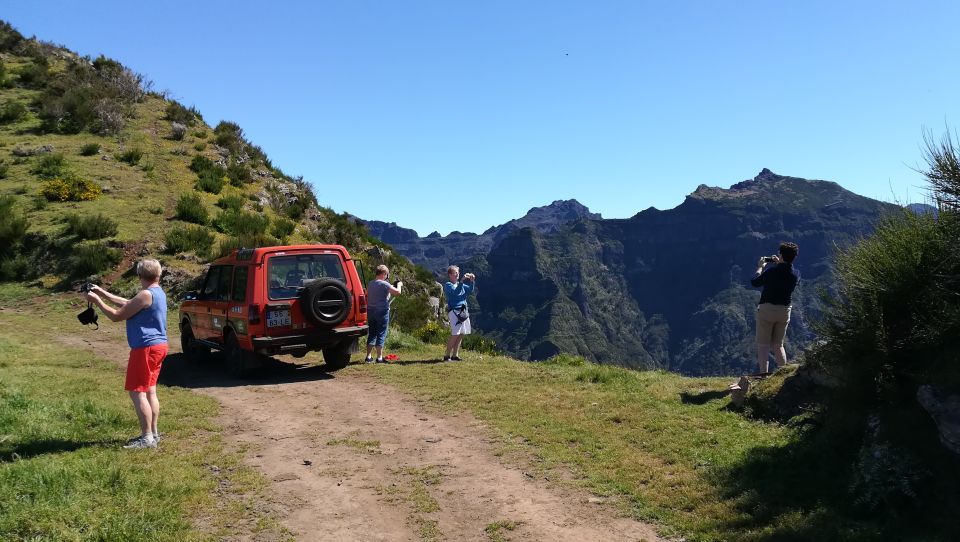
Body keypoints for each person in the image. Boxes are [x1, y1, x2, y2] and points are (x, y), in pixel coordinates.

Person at [83, 259, 168, 449]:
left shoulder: (145, 294)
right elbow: (129, 303)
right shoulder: (157, 293)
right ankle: (153, 434)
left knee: (137, 391)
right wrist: (102, 292)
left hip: (145, 348)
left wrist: (97, 301)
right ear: (159, 274)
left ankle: (146, 438)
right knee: (150, 390)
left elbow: (116, 315)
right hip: (159, 346)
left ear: (139, 276)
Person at [750, 242, 800, 373]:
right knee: (778, 345)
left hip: (767, 310)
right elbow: (785, 274)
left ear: (781, 255)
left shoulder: (771, 272)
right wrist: (781, 264)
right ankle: (784, 374)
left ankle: (763, 375)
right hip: (784, 311)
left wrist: (760, 267)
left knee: (763, 345)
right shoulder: (796, 274)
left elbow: (755, 282)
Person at [365, 264, 402, 363]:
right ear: (384, 274)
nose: (387, 277)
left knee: (372, 333)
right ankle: (379, 357)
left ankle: (368, 357)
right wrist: (399, 285)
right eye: (387, 275)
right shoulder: (384, 284)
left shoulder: (371, 283)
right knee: (381, 333)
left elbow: (368, 295)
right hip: (382, 311)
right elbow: (398, 293)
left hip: (371, 310)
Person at [442, 265, 475, 361]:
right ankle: (447, 355)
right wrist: (461, 282)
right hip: (455, 311)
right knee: (455, 334)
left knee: (461, 334)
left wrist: (472, 281)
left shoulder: (460, 284)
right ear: (449, 275)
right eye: (455, 273)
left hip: (463, 311)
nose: (457, 274)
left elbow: (470, 291)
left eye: (458, 273)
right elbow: (456, 292)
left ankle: (455, 355)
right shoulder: (448, 285)